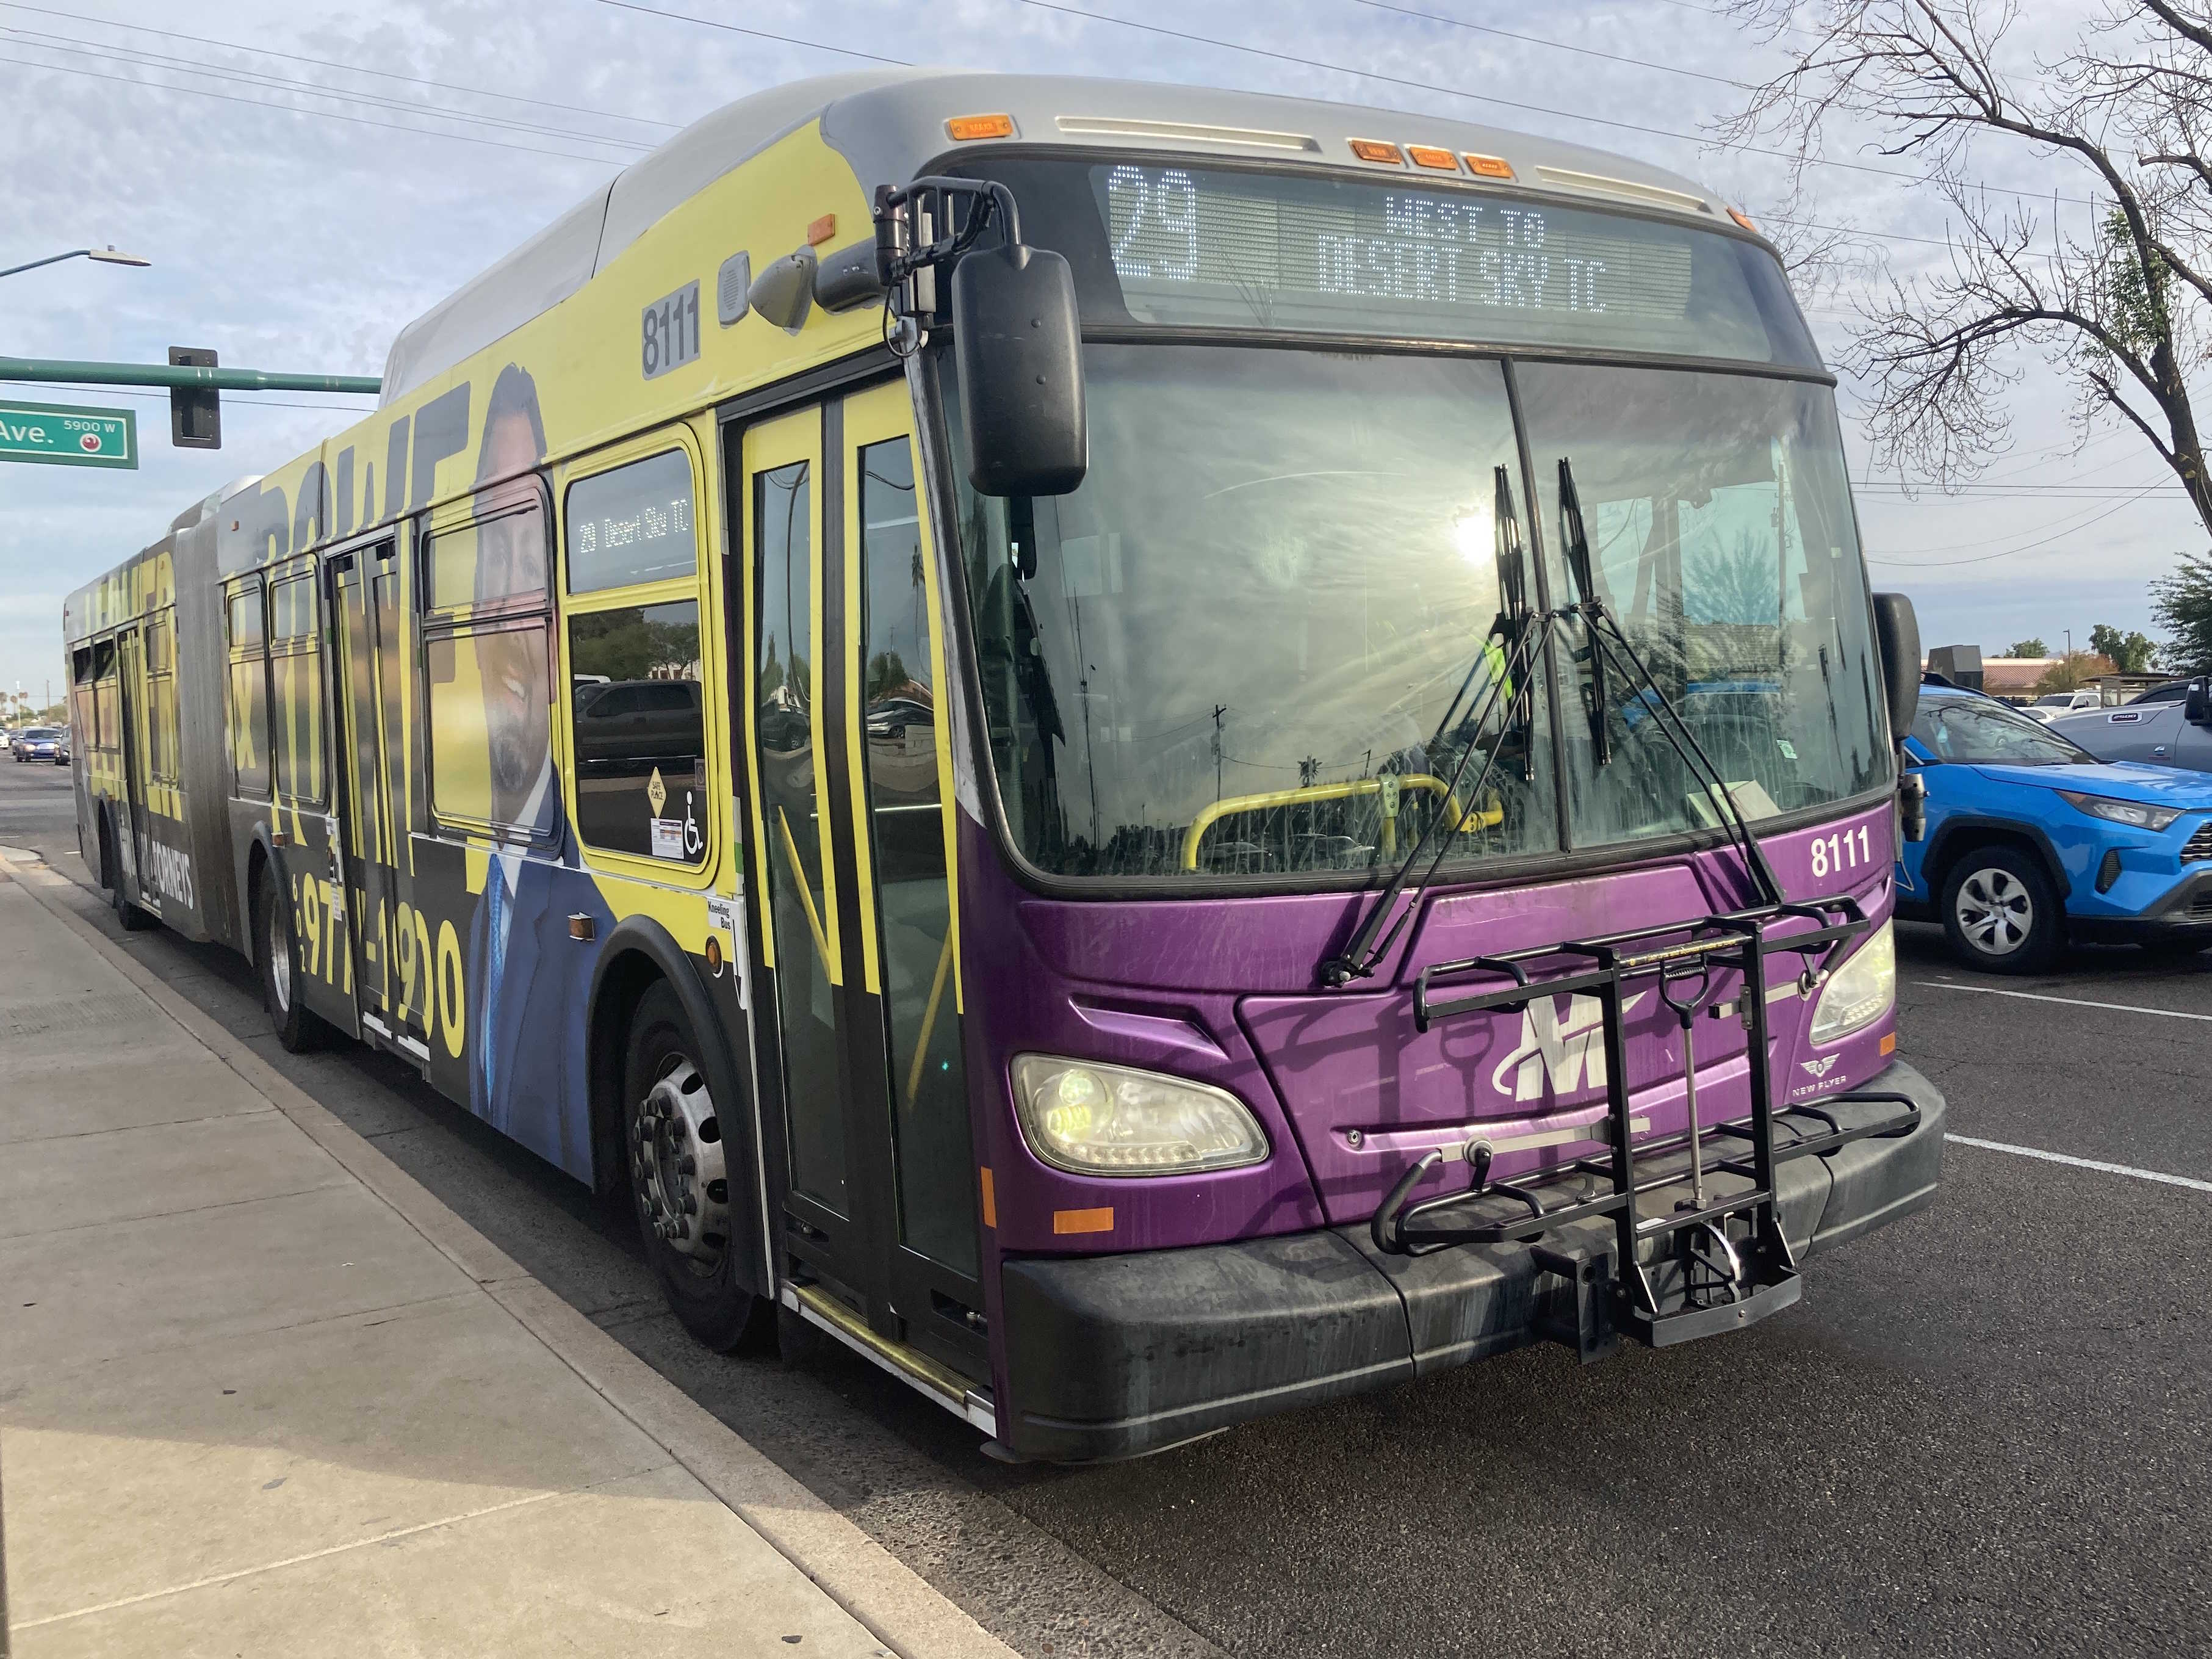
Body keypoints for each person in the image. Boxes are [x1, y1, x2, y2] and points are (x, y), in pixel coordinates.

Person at [462, 363, 613, 1178]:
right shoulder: (493, 887)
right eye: (494, 548)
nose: (509, 607)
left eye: (536, 552)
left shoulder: (589, 907)